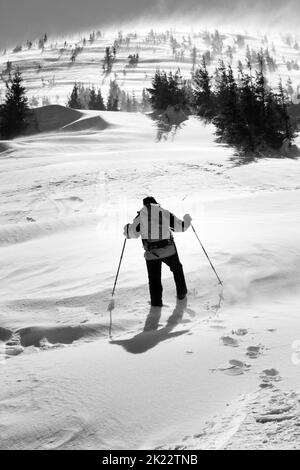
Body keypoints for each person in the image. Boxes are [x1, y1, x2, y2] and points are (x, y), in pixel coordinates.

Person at [123, 196, 192, 307]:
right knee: (177, 269)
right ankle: (181, 293)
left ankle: (156, 304)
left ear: (144, 205)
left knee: (154, 279)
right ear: (156, 203)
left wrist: (126, 229)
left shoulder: (141, 217)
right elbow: (181, 227)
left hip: (151, 254)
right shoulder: (164, 212)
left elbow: (132, 234)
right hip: (169, 250)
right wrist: (187, 220)